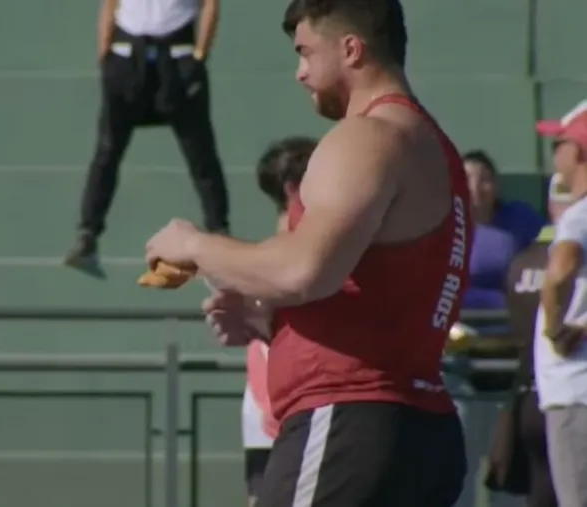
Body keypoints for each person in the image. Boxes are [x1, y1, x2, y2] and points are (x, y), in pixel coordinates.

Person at [143, 1, 470, 505]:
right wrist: (273, 321)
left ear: (351, 49)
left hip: (350, 419)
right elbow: (375, 286)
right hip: (412, 425)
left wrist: (193, 244)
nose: (299, 72)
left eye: (305, 52)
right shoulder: (429, 145)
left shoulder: (368, 136)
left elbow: (302, 270)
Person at [64, 0, 230, 267]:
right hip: (127, 57)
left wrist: (200, 54)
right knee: (107, 150)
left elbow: (210, 4)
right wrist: (105, 54)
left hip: (178, 57)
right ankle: (87, 235)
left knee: (201, 153)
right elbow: (110, 4)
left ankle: (219, 230)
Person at [235, 137, 317, 507]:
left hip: (283, 408)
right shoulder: (290, 257)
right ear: (293, 189)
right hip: (284, 409)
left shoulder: (264, 257)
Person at [485, 173, 570, 507]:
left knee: (542, 493)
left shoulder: (522, 262)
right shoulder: (575, 261)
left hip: (530, 397)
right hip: (572, 397)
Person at [534, 99, 587, 507]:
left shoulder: (579, 215)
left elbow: (559, 273)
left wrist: (555, 329)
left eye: (560, 143)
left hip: (576, 391)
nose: (555, 153)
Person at [463, 150, 546, 310]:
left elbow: (551, 246)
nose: (475, 187)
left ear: (496, 185)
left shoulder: (519, 216)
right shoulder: (442, 225)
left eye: (484, 179)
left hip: (514, 313)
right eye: (466, 179)